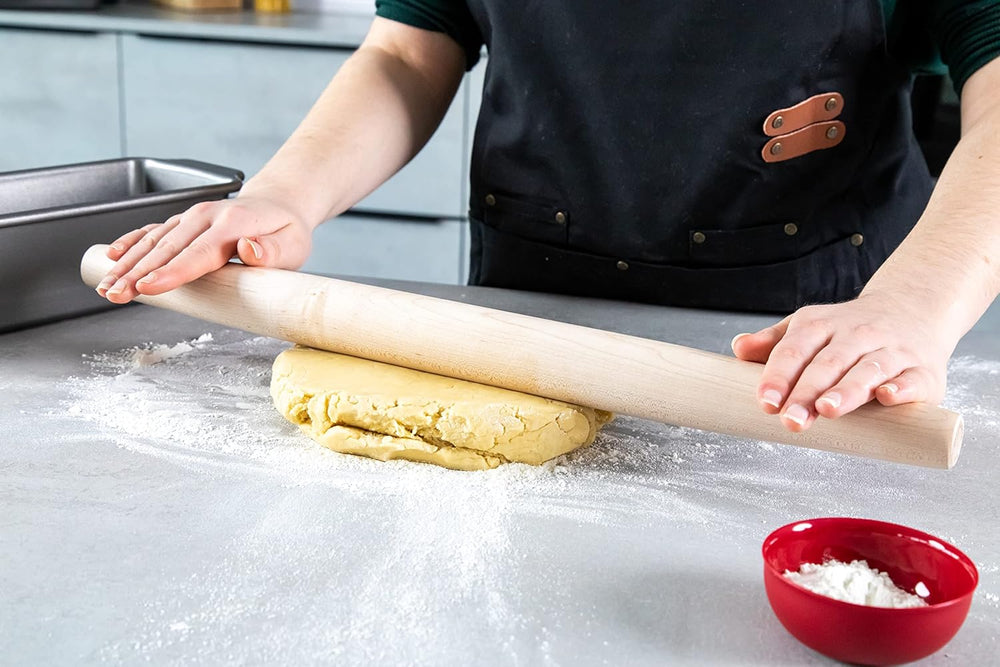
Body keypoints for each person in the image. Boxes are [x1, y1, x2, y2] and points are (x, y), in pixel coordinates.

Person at [96, 1, 1000, 434]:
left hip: (800, 350)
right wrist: (284, 196)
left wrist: (916, 301)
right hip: (531, 319)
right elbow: (412, 52)